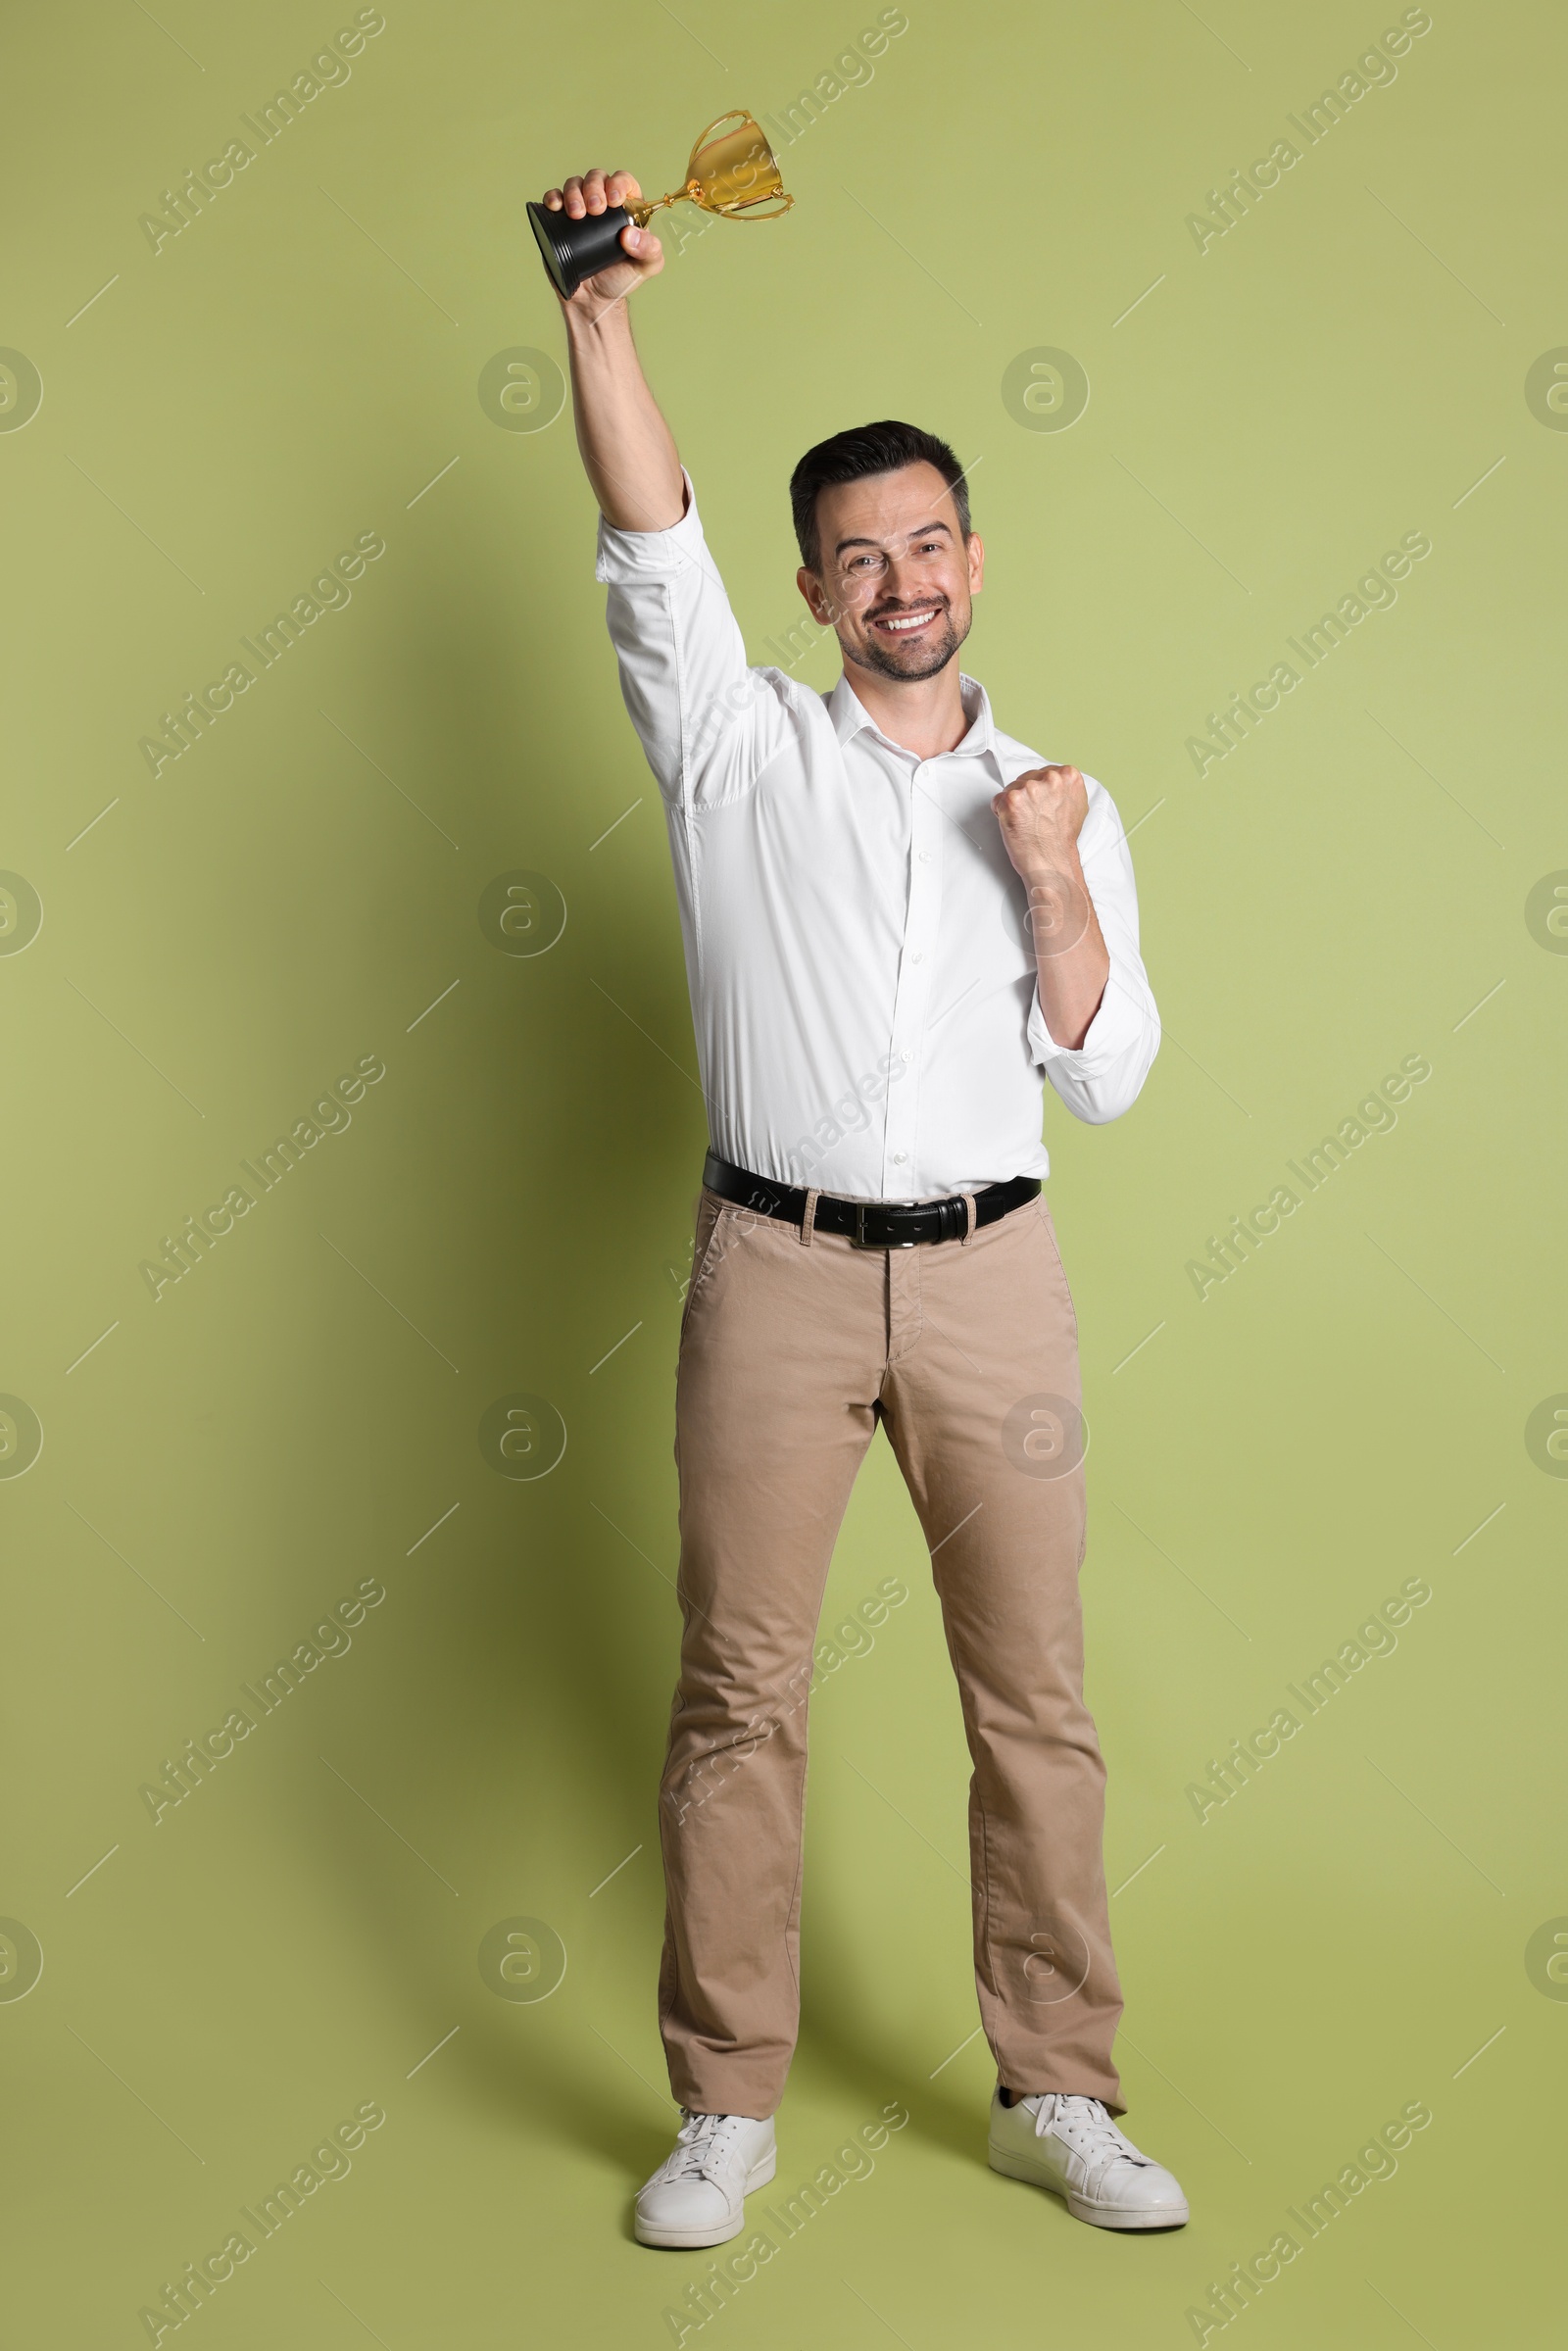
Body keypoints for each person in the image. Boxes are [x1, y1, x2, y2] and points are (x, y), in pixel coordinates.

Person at [539, 166, 1189, 2244]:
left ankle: (1054, 2088)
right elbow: (647, 537)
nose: (899, 579)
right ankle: (722, 2104)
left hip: (993, 1271)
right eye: (855, 557)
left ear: (970, 562)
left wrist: (1057, 874)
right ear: (811, 593)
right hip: (776, 1272)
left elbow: (1103, 1070)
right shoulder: (734, 750)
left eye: (926, 543)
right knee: (737, 1691)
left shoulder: (1053, 799)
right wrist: (593, 312)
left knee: (1036, 1696)